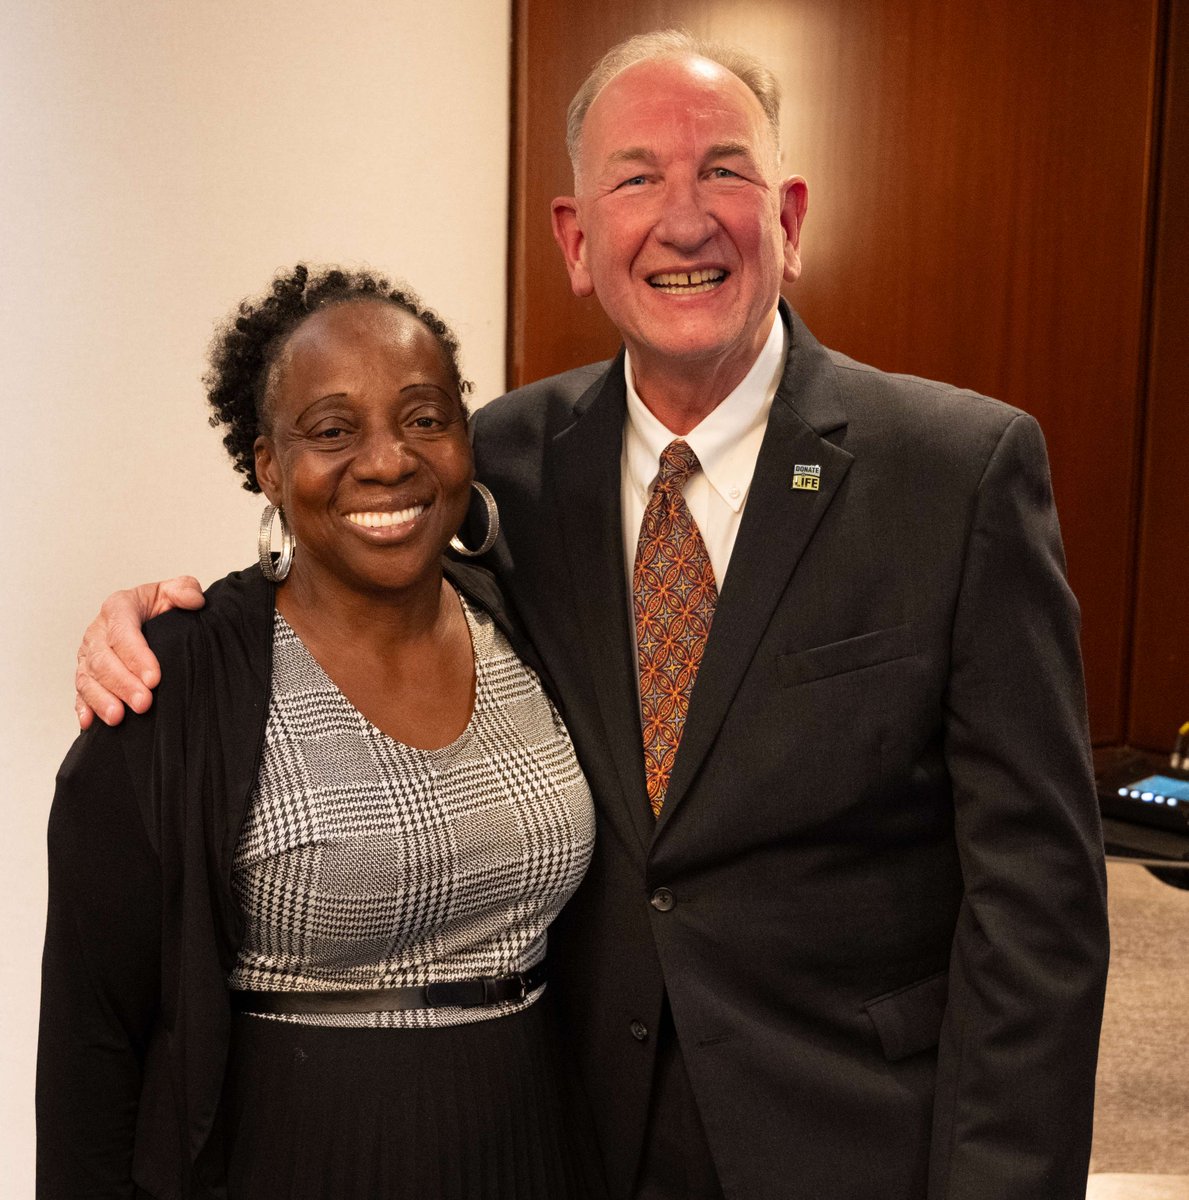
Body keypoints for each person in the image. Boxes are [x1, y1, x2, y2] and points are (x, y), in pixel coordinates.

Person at [71, 31, 1110, 1200]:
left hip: (852, 1142)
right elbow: (356, 555)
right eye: (635, 178)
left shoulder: (956, 472)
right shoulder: (506, 457)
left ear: (791, 217)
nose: (683, 219)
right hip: (570, 1137)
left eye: (724, 170)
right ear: (576, 240)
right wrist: (171, 624)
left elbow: (1039, 909)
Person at [39, 265, 606, 1199]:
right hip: (296, 1155)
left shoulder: (530, 623)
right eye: (332, 431)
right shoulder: (170, 692)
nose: (387, 460)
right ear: (267, 464)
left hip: (536, 1142)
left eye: (425, 417)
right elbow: (91, 1048)